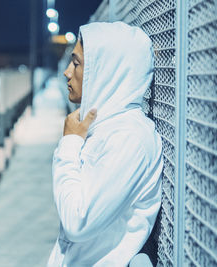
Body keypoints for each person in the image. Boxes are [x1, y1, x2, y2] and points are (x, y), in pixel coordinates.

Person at [47, 22, 163, 266]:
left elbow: (77, 222)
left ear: (105, 71)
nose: (67, 72)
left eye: (76, 64)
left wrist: (69, 144)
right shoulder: (105, 128)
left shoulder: (129, 139)